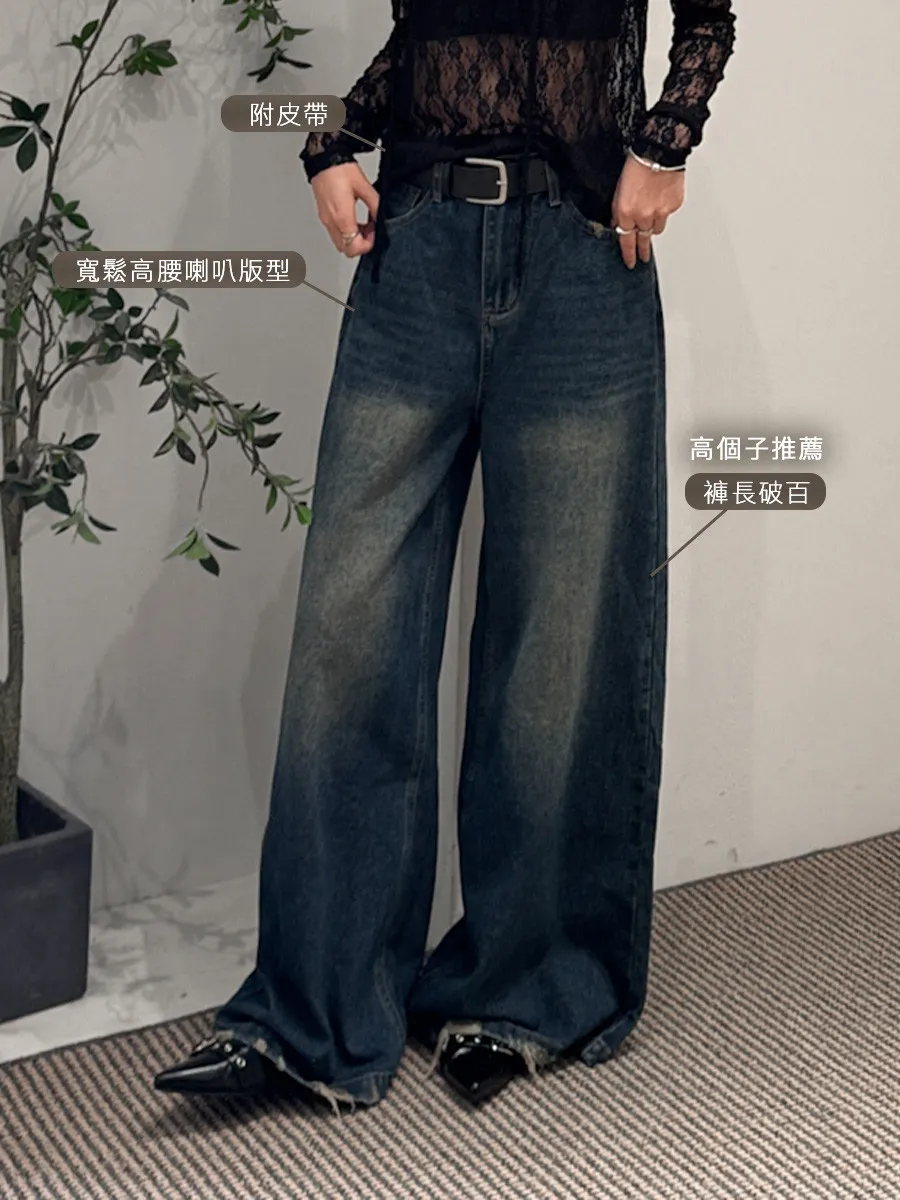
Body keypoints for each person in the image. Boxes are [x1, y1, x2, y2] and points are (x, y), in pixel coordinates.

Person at [155, 0, 736, 1110]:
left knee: (559, 646)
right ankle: (312, 1018)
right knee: (350, 633)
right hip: (416, 248)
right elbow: (439, 34)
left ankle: (524, 991)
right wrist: (331, 141)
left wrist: (667, 140)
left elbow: (707, 13)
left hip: (579, 254)